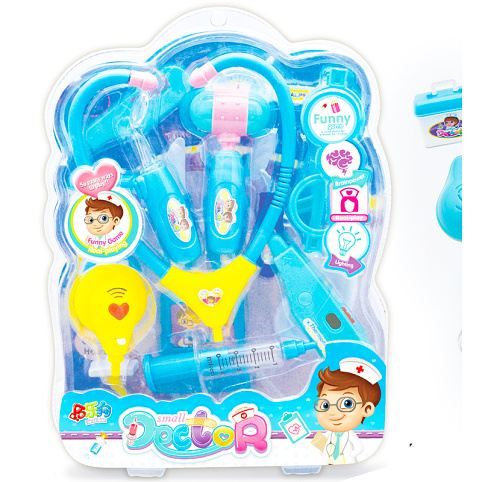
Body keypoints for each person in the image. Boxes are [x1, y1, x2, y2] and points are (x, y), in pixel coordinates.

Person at [311, 357, 382, 464]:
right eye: (325, 405)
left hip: (347, 462)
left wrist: (350, 456)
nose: (332, 412)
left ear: (367, 409)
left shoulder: (350, 435)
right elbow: (319, 443)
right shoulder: (329, 434)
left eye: (347, 403)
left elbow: (358, 448)